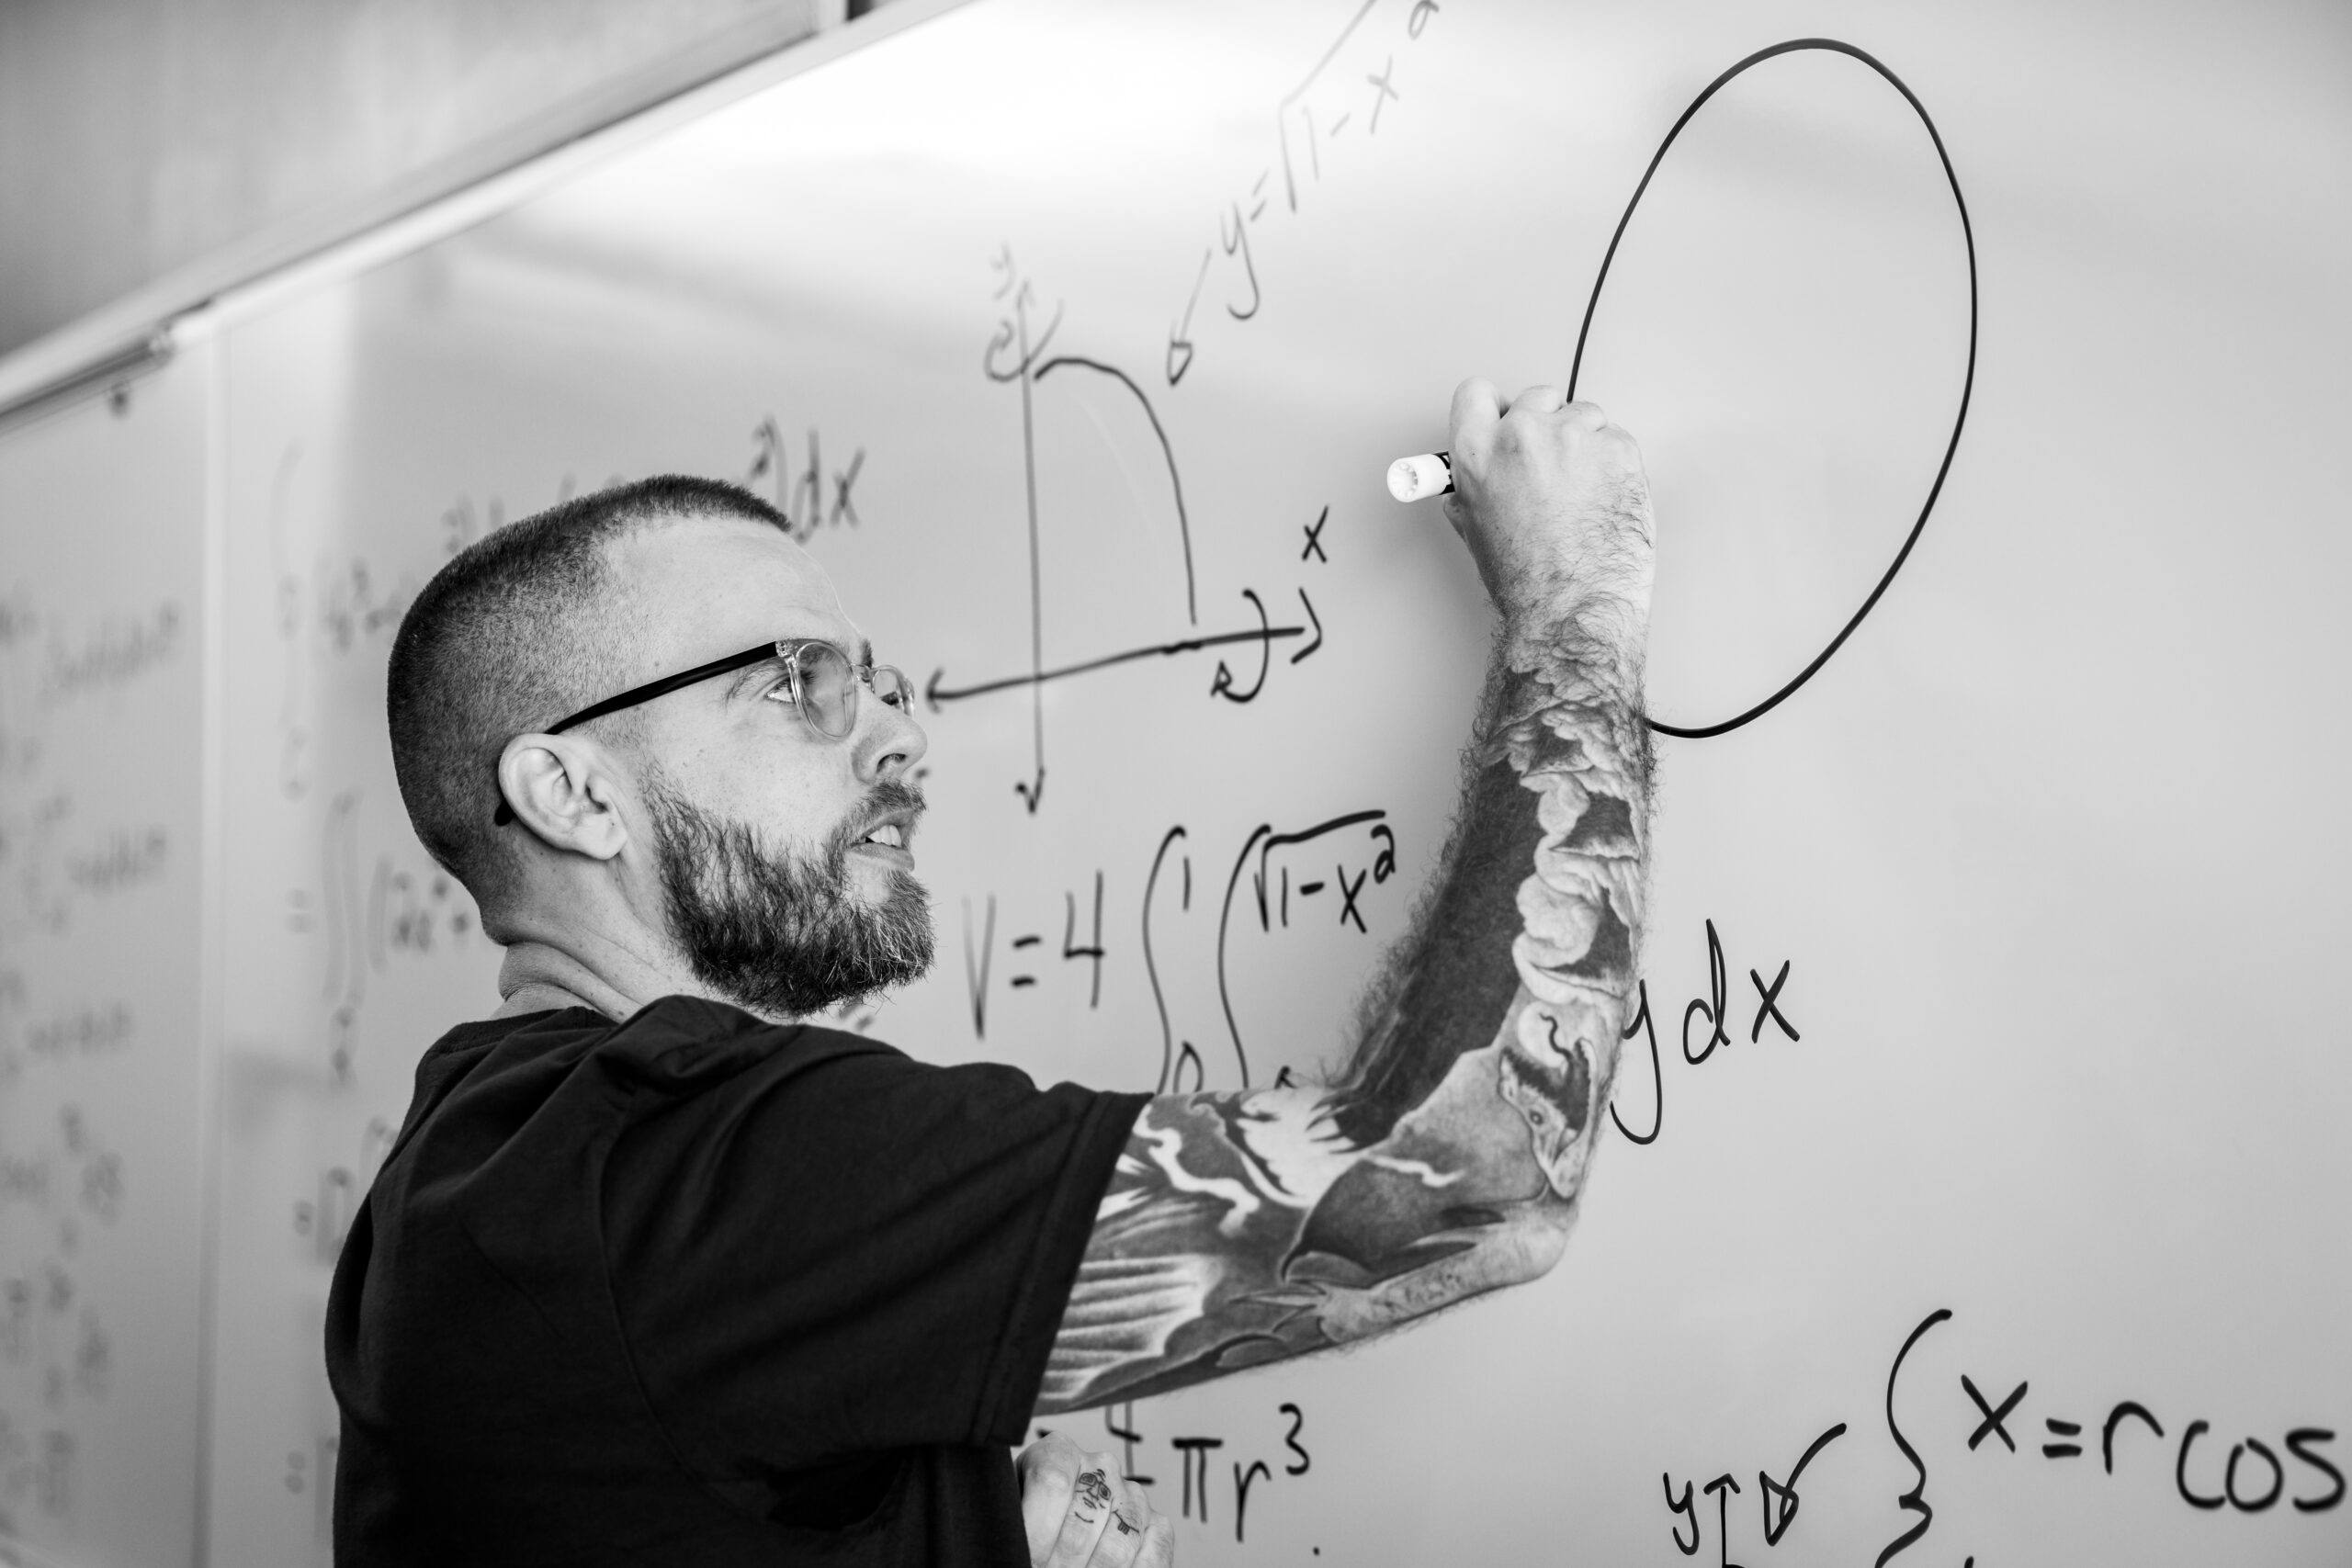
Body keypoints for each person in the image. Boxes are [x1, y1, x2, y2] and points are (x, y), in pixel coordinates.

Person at [330, 379, 1657, 1566]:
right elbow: (1467, 1177)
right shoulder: (682, 1163)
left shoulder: (482, 1175)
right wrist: (1572, 606)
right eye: (798, 683)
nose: (899, 739)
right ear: (572, 794)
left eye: (878, 683)